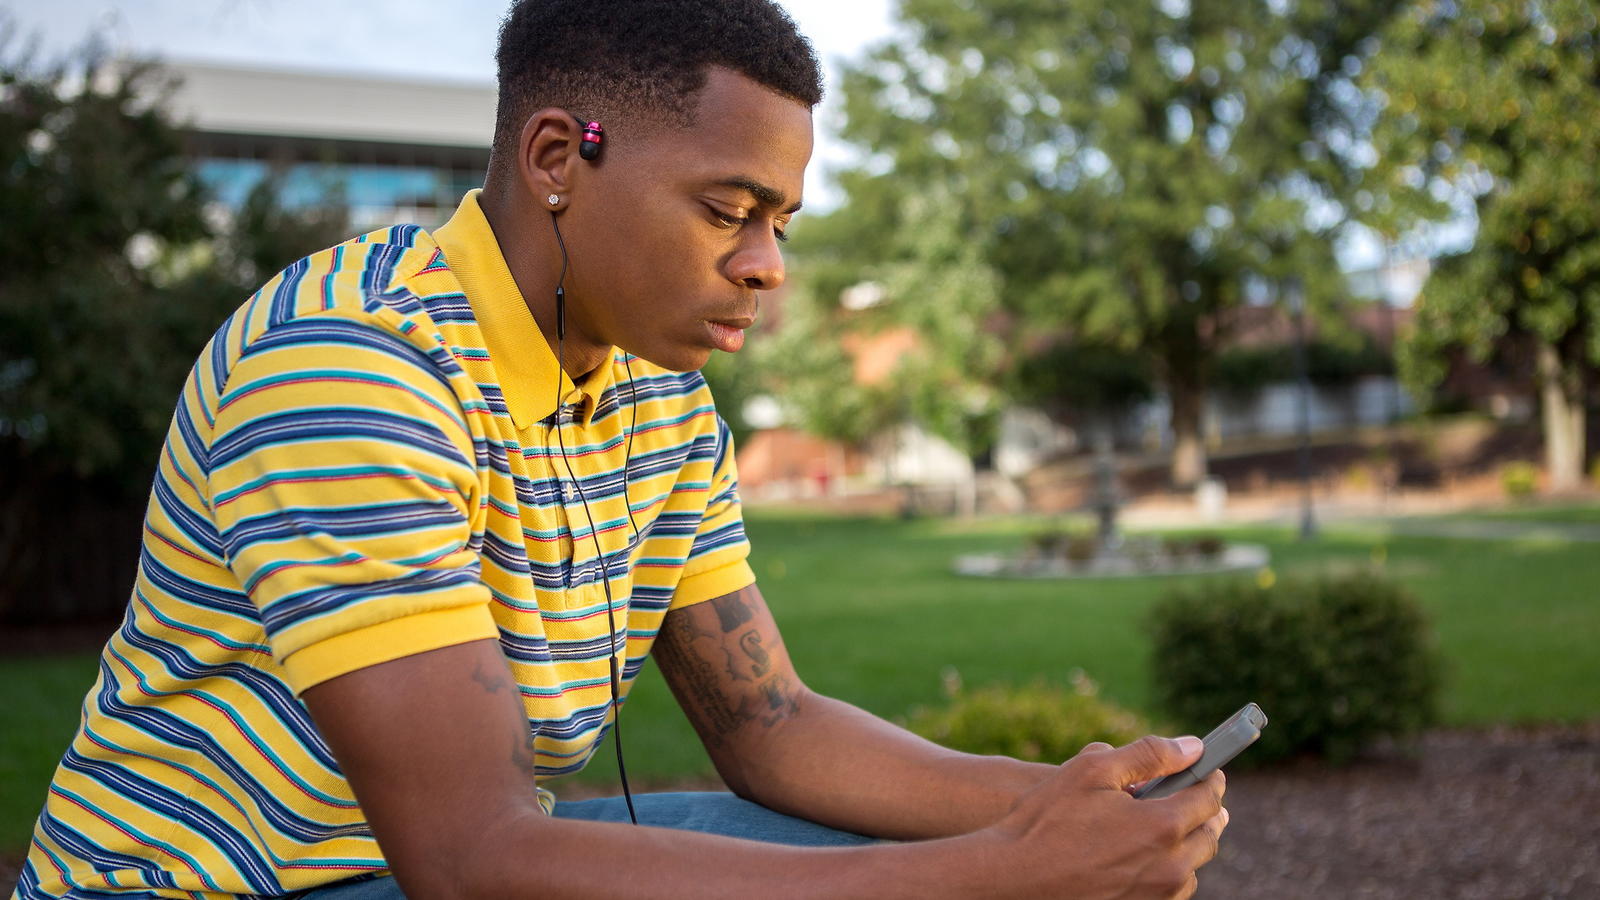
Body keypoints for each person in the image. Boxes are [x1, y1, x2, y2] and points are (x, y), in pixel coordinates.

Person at [16, 2, 1227, 897]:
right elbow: (472, 859)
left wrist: (1062, 802)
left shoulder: (662, 396)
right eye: (725, 210)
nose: (767, 264)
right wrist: (1005, 874)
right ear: (557, 158)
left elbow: (771, 726)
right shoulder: (347, 367)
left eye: (780, 222)